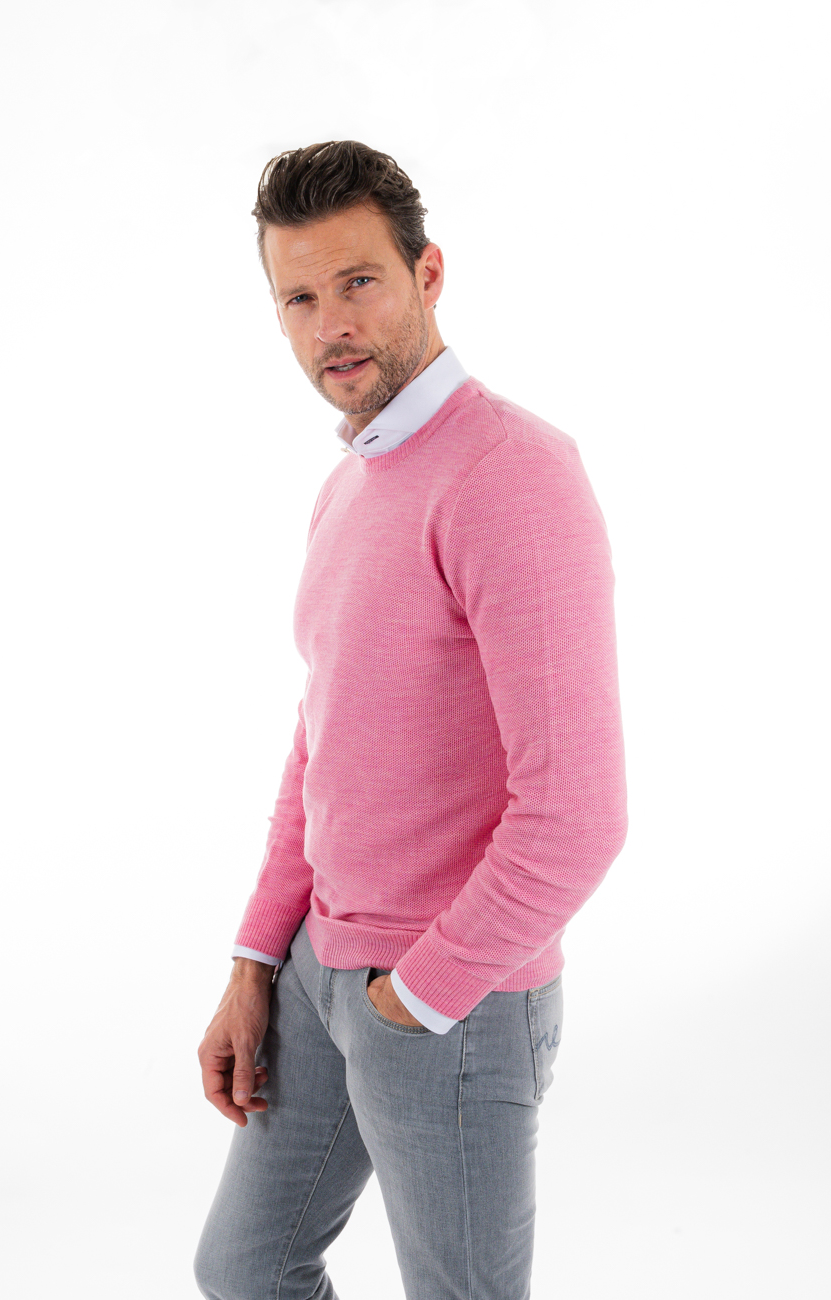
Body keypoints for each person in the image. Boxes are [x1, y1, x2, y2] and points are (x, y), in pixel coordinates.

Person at [194, 139, 628, 1300]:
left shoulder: (513, 475)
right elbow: (321, 734)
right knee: (245, 1269)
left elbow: (578, 813)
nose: (331, 324)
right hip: (318, 972)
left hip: (451, 998)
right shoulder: (349, 484)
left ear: (428, 274)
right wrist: (256, 958)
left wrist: (415, 999)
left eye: (359, 281)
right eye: (299, 298)